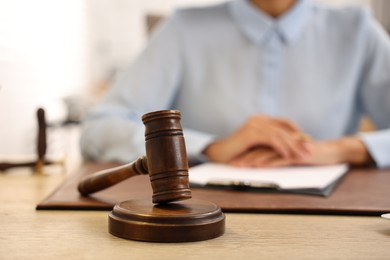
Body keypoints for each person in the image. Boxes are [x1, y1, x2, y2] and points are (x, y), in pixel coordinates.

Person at [80, 0, 390, 168]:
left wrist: (344, 149)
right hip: (205, 221)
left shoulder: (358, 30)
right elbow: (99, 127)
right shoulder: (183, 28)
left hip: (335, 224)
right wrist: (210, 147)